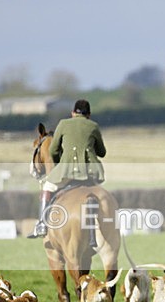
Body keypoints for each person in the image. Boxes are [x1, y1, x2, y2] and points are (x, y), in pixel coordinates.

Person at [27, 99, 106, 238]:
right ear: (89, 114)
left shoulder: (63, 124)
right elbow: (102, 152)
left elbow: (53, 150)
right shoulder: (94, 126)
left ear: (73, 113)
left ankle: (41, 224)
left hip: (67, 172)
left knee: (47, 186)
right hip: (90, 173)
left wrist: (60, 161)